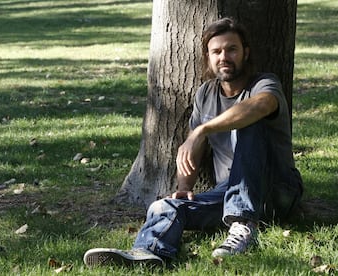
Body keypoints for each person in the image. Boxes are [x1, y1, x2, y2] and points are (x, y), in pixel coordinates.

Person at [83, 17, 303, 267]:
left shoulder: (264, 83)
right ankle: (149, 253)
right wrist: (184, 185)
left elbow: (262, 105)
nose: (224, 57)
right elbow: (193, 149)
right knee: (166, 206)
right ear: (208, 57)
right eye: (216, 51)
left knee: (249, 122)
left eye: (232, 49)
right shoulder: (206, 93)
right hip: (229, 193)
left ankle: (243, 226)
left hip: (277, 189)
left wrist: (203, 129)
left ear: (245, 53)